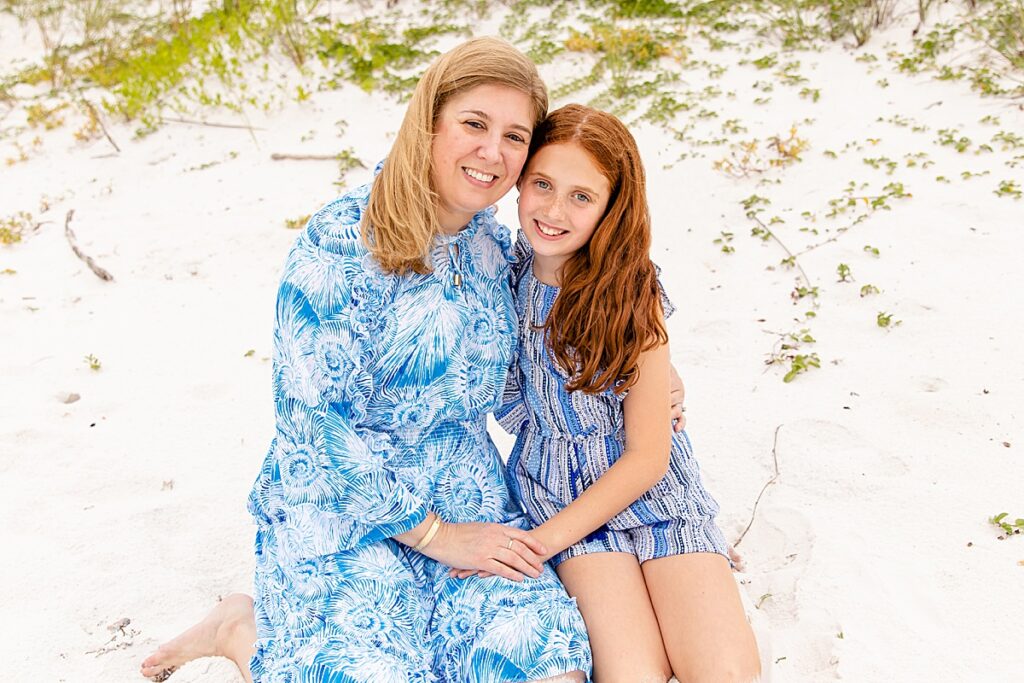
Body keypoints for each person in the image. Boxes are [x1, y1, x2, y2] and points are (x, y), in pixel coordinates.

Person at [142, 37, 592, 683]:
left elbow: (553, 347)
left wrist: (653, 373)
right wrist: (433, 534)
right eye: (473, 124)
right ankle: (243, 629)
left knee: (550, 668)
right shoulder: (341, 240)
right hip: (342, 510)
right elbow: (309, 421)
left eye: (515, 136)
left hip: (469, 501)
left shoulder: (498, 251)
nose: (493, 152)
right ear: (429, 123)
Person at [459, 103, 762, 682]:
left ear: (610, 207)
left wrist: (538, 544)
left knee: (726, 674)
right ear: (519, 182)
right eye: (542, 185)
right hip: (559, 491)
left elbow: (649, 456)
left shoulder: (630, 288)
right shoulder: (498, 272)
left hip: (653, 491)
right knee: (633, 676)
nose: (553, 210)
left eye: (581, 196)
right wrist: (546, 541)